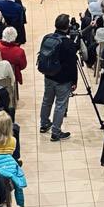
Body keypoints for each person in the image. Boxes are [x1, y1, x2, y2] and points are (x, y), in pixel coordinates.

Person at [37, 13, 77, 141]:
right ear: (67, 27)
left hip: (48, 75)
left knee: (46, 100)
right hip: (63, 79)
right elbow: (72, 65)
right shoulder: (68, 43)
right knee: (60, 104)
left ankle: (44, 124)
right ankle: (56, 132)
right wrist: (74, 81)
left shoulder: (47, 37)